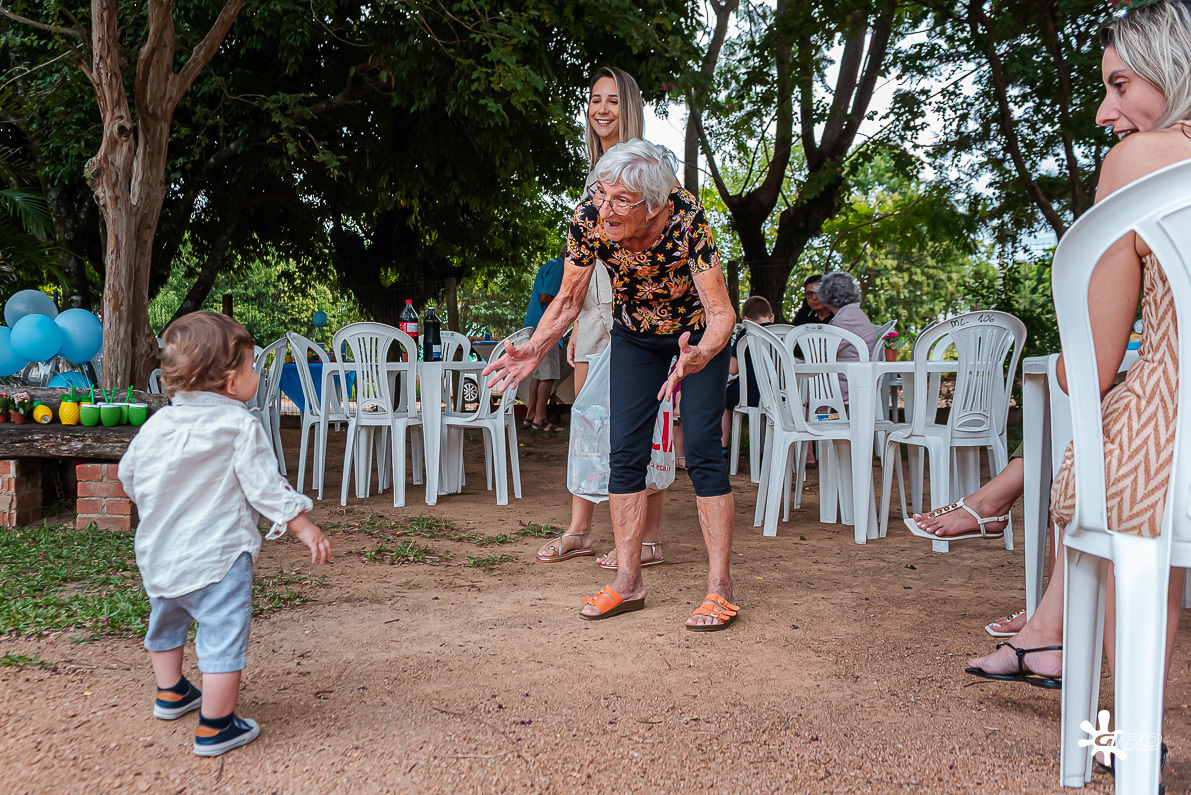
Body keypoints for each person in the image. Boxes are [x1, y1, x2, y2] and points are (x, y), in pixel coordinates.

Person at [964, 0, 1190, 701]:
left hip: (1173, 441)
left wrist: (1102, 369)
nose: (1102, 112)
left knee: (1120, 451)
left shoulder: (1143, 159)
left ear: (1176, 70)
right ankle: (1045, 630)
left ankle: (1133, 732)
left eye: (1119, 85)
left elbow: (1086, 368)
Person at [487, 138, 739, 630]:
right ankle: (628, 582)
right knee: (624, 450)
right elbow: (567, 299)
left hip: (695, 336)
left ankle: (720, 587)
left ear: (655, 205)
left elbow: (721, 312)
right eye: (602, 193)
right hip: (635, 335)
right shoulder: (590, 217)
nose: (605, 209)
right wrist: (536, 347)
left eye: (621, 200)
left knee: (704, 449)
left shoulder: (688, 219)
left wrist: (701, 354)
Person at [118, 311, 332, 757]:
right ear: (232, 383)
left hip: (160, 552)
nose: (256, 374)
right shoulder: (239, 426)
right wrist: (303, 525)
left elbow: (129, 476)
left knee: (167, 621)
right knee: (221, 634)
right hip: (219, 555)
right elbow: (265, 487)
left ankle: (171, 692)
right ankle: (216, 726)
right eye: (252, 367)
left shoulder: (157, 424)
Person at [536, 66, 665, 568]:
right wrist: (576, 323)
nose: (602, 109)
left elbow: (663, 243)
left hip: (637, 313)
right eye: (595, 99)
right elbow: (586, 257)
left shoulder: (648, 163)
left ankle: (646, 539)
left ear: (629, 106)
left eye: (612, 100)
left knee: (642, 424)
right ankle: (580, 530)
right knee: (589, 422)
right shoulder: (596, 170)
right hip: (592, 313)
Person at [817, 271, 879, 402]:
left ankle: (805, 415)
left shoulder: (846, 318)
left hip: (848, 382)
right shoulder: (853, 313)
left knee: (801, 383)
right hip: (854, 378)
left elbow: (821, 353)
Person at [724, 295, 775, 449]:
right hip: (780, 395)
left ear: (746, 320)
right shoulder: (783, 333)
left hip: (750, 394)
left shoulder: (745, 334)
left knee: (722, 400)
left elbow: (732, 369)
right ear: (772, 317)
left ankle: (722, 447)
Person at [523, 248, 565, 432]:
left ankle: (530, 416)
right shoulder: (559, 267)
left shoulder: (550, 265)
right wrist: (566, 308)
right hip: (546, 329)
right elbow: (545, 297)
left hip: (535, 328)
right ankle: (540, 419)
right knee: (548, 375)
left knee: (538, 375)